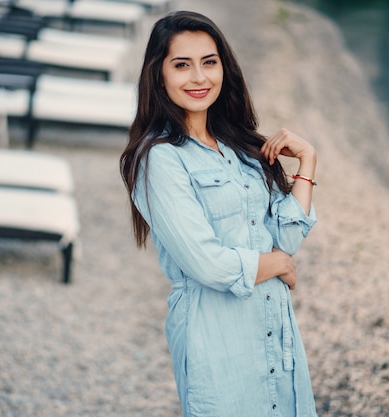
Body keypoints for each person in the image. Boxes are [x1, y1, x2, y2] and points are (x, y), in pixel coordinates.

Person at [119, 10, 319, 417]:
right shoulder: (161, 159)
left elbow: (287, 237)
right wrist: (278, 264)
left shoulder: (240, 148)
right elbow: (207, 264)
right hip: (216, 337)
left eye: (209, 62)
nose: (199, 77)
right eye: (182, 65)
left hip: (273, 327)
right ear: (159, 75)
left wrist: (308, 164)